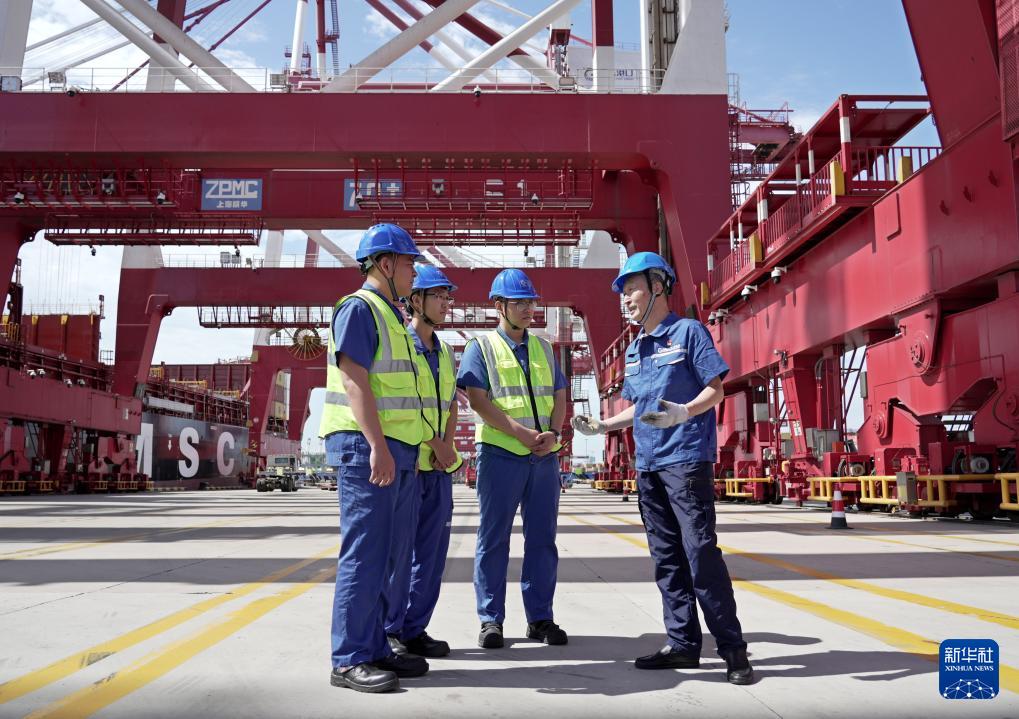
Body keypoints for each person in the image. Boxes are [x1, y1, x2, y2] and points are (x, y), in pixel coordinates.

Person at [572, 251, 753, 685]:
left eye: (631, 288)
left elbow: (716, 389)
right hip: (649, 465)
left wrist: (684, 413)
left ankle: (733, 650)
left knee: (700, 553)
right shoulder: (635, 349)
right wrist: (602, 426)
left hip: (685, 461)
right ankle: (683, 644)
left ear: (658, 286)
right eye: (621, 292)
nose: (625, 299)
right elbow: (639, 408)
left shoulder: (688, 332)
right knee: (666, 558)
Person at [320, 223, 441, 693]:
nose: (414, 272)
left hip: (398, 451)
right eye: (409, 263)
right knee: (365, 555)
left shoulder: (391, 315)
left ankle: (373, 647)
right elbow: (354, 380)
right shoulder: (359, 308)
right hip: (368, 448)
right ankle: (349, 658)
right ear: (385, 264)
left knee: (390, 557)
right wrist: (377, 446)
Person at [456, 268, 570, 649]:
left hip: (544, 458)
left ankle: (540, 618)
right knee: (494, 539)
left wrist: (554, 433)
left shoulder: (544, 348)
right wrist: (521, 433)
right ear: (499, 305)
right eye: (519, 302)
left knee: (543, 540)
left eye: (531, 302)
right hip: (500, 455)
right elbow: (478, 401)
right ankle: (491, 619)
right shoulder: (480, 347)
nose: (527, 309)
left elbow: (559, 395)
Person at [384, 263, 461, 659]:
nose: (446, 303)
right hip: (412, 463)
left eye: (448, 297)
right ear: (416, 300)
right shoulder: (402, 344)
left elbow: (450, 404)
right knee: (400, 555)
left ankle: (415, 629)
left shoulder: (445, 351)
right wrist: (434, 444)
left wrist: (447, 446)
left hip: (438, 469)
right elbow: (402, 404)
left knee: (431, 556)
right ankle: (390, 630)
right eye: (439, 296)